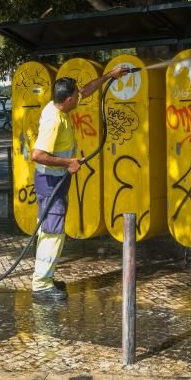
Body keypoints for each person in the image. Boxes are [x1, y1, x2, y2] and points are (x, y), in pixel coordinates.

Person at [30, 66, 129, 301]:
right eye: (76, 96)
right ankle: (41, 285)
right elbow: (37, 154)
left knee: (48, 230)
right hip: (50, 181)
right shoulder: (54, 120)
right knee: (53, 232)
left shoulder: (58, 105)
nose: (80, 97)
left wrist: (108, 76)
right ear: (67, 99)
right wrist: (67, 163)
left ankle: (44, 277)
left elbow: (86, 90)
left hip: (54, 180)